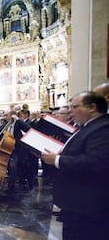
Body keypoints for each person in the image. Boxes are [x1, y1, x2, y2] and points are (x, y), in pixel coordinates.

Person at [41, 91, 109, 239]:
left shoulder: (103, 128)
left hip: (87, 207)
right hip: (78, 204)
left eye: (74, 106)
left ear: (92, 107)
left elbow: (96, 162)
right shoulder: (88, 126)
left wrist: (57, 160)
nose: (70, 111)